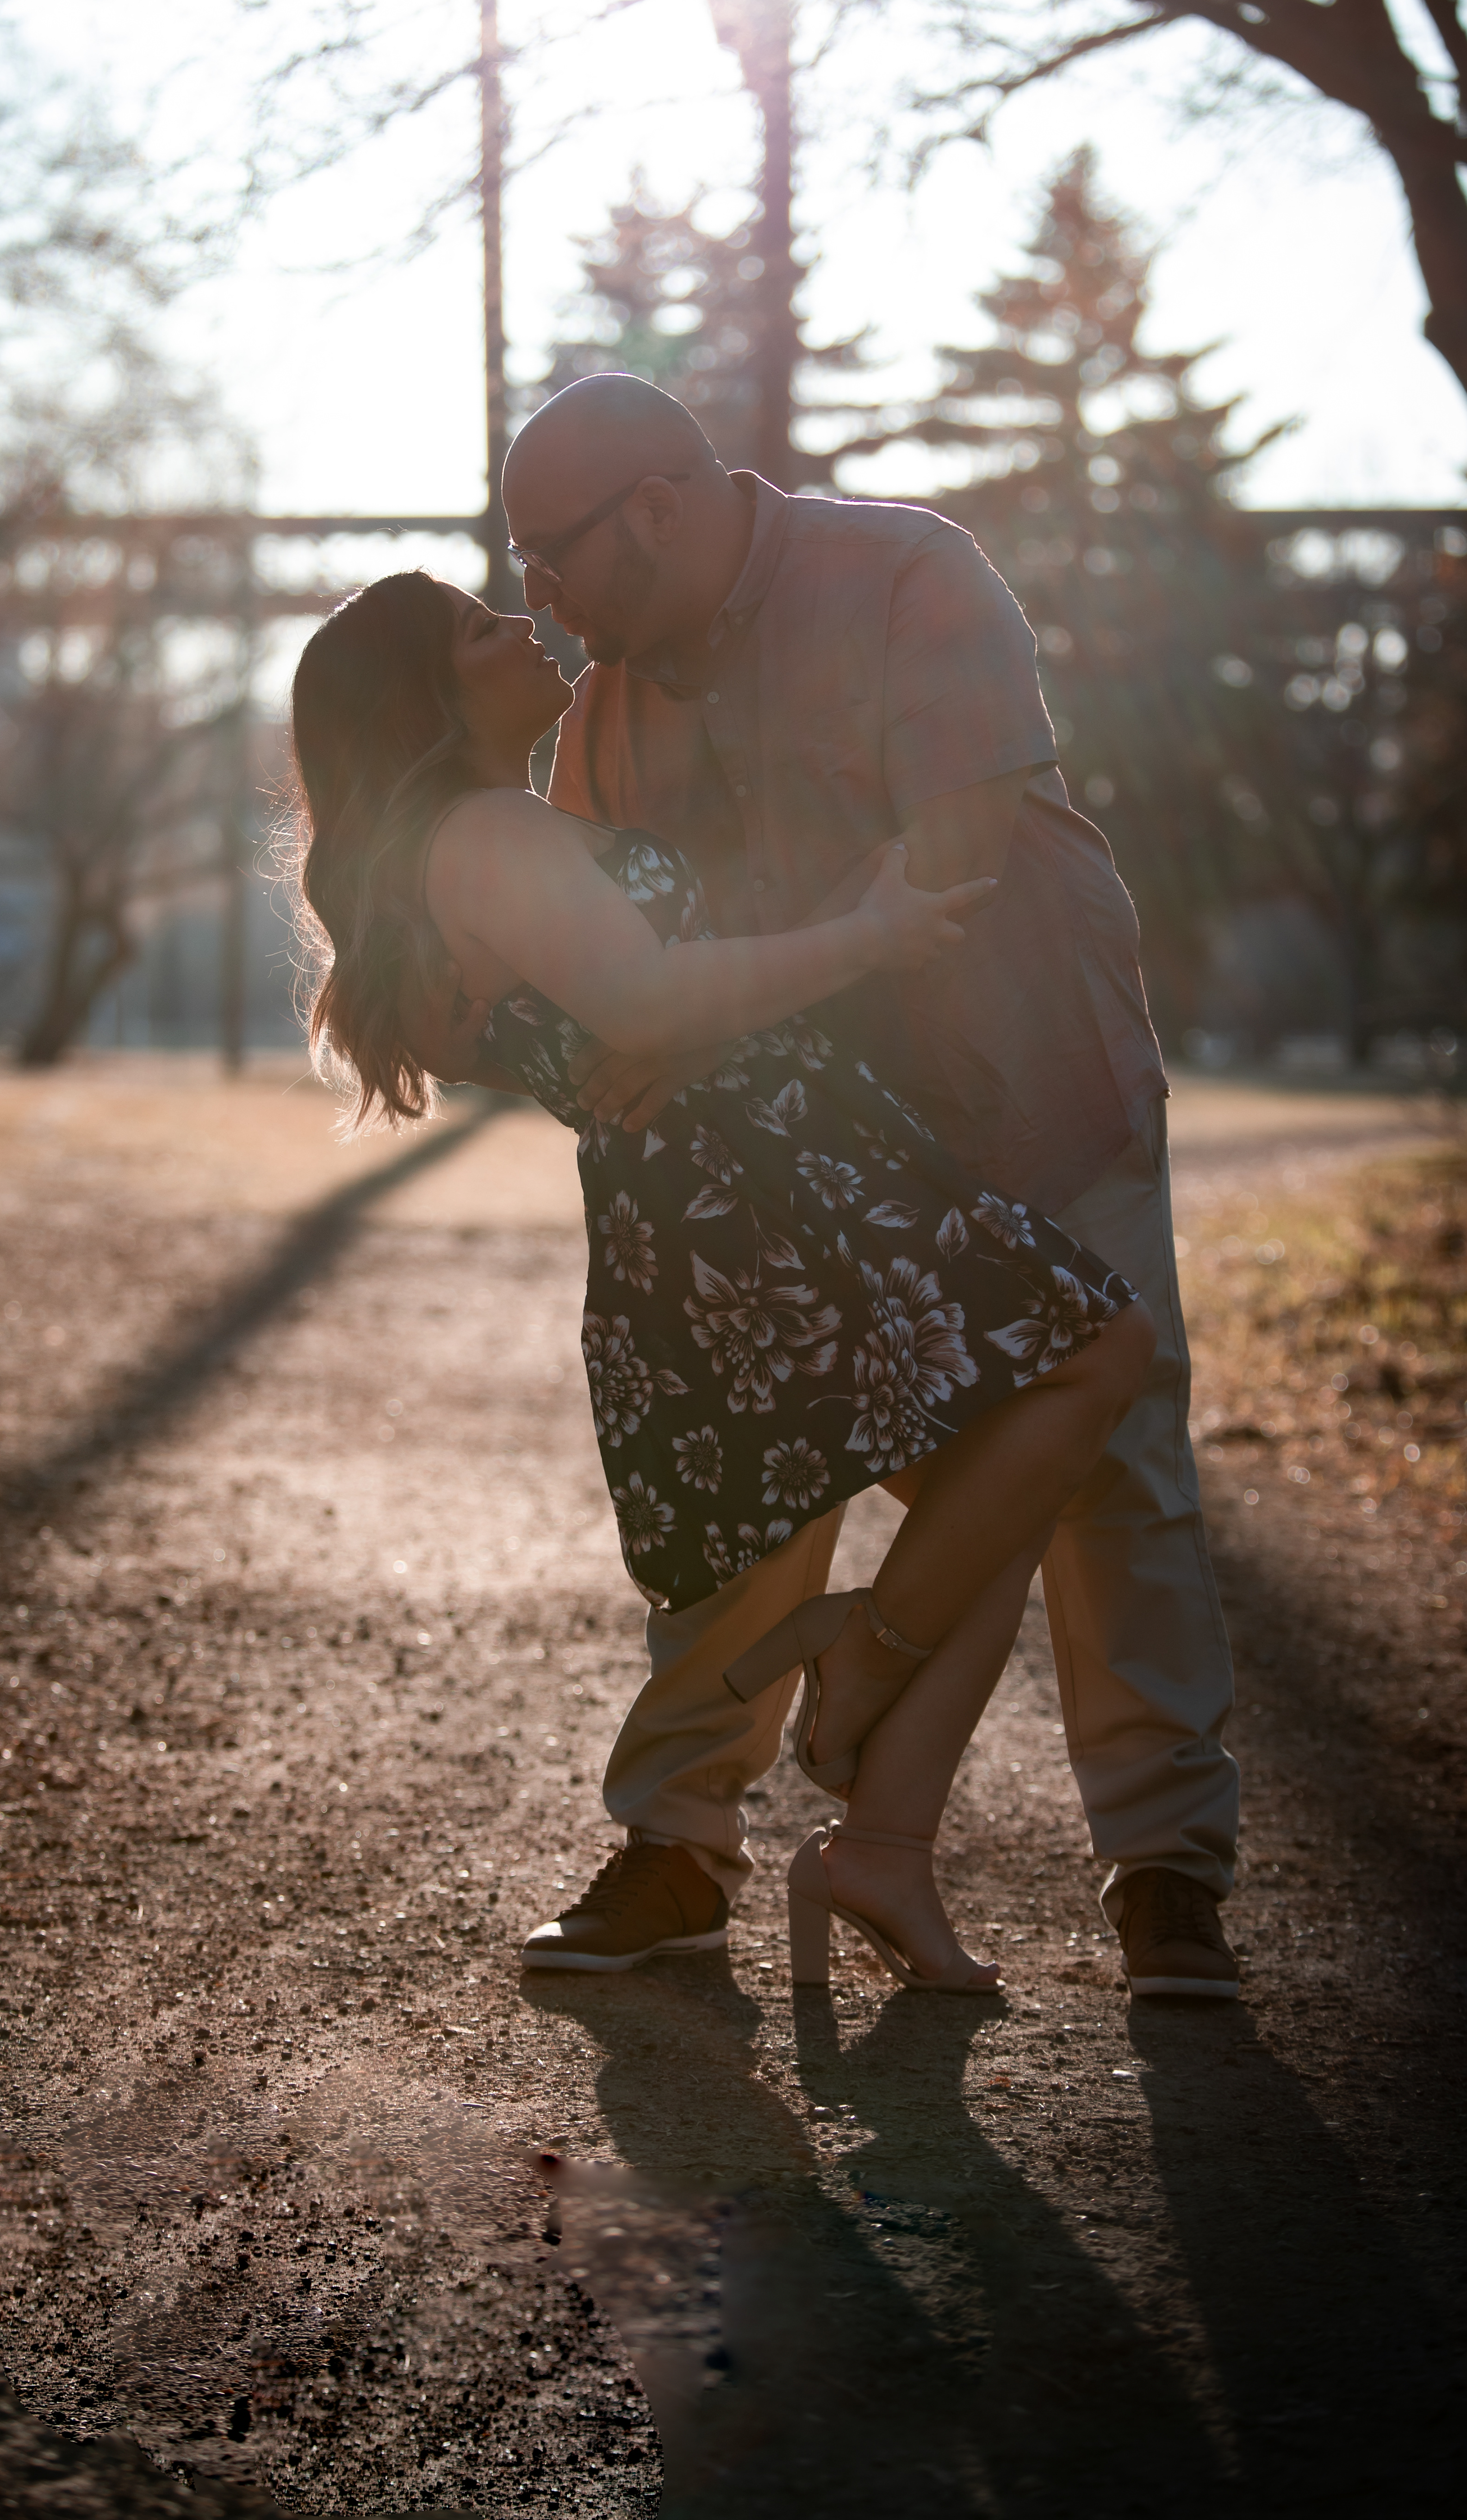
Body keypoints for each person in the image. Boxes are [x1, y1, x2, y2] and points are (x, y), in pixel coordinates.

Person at [288, 567, 1154, 1992]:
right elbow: (633, 1001)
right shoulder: (488, 831)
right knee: (1086, 1369)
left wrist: (659, 1013)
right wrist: (869, 936)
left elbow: (583, 1008)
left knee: (982, 1487)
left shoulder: (476, 842)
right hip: (765, 1183)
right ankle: (858, 1678)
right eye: (474, 629)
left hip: (732, 1186)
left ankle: (866, 1843)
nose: (518, 625)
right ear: (426, 699)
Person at [496, 373, 1241, 2002]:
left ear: (662, 512)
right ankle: (681, 1838)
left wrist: (706, 1006)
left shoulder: (913, 573)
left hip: (1032, 1079)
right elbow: (612, 964)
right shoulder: (604, 714)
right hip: (803, 1144)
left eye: (550, 558)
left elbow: (955, 848)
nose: (537, 604)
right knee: (764, 1438)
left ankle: (1168, 1869)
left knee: (1112, 1461)